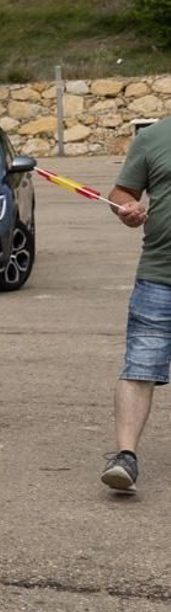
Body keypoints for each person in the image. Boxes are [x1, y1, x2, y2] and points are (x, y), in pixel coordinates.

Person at [104, 121, 171, 491]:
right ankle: (125, 457)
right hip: (160, 274)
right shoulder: (154, 137)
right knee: (140, 365)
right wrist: (126, 207)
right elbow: (121, 191)